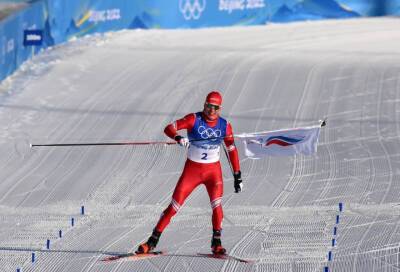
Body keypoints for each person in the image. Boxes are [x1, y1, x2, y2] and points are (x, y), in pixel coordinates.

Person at [136, 90, 243, 255]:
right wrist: (178, 137)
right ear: (204, 105)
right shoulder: (194, 119)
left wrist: (237, 175)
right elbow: (169, 128)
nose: (211, 110)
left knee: (216, 205)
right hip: (193, 171)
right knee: (174, 206)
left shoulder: (225, 125)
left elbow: (231, 148)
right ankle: (152, 241)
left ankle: (217, 242)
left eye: (215, 107)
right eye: (209, 106)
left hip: (213, 172)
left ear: (220, 108)